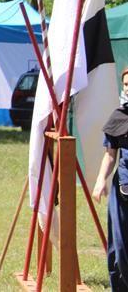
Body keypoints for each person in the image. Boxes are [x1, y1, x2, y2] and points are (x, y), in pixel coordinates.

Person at [93, 67, 128, 291]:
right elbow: (110, 155)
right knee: (120, 247)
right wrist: (100, 181)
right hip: (123, 192)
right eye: (126, 85)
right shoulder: (118, 116)